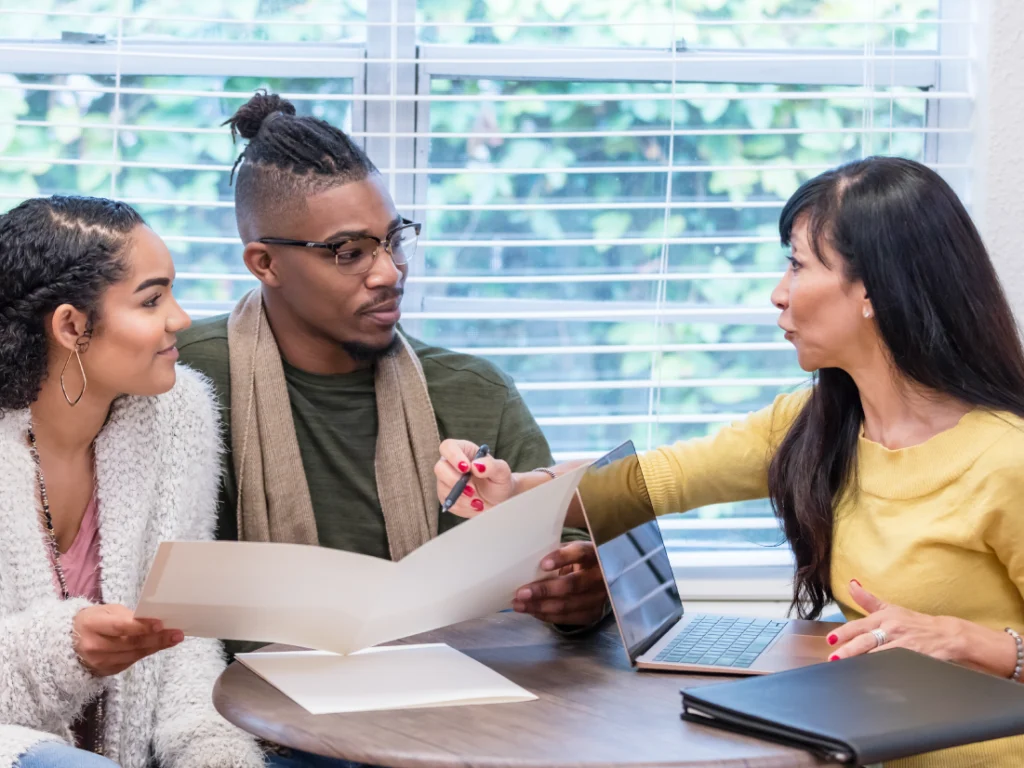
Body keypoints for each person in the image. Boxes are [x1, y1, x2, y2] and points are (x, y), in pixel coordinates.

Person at [435, 156, 1024, 768]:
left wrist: (981, 644)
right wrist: (517, 487)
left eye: (797, 265)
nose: (778, 292)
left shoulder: (1007, 457)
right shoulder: (814, 425)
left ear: (875, 290)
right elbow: (645, 484)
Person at [176, 90, 608, 632]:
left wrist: (582, 590)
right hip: (237, 710)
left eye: (394, 240)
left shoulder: (476, 394)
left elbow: (566, 557)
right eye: (349, 252)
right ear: (265, 264)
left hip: (446, 704)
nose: (390, 273)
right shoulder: (182, 379)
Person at [0, 197, 266, 768]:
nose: (180, 319)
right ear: (72, 326)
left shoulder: (179, 413)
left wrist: (213, 752)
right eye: (152, 299)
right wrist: (66, 649)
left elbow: (184, 640)